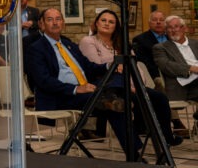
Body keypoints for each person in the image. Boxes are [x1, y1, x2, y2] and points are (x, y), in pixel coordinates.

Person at [26, 8, 179, 158]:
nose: (55, 23)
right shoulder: (36, 48)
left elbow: (89, 67)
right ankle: (134, 154)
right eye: (50, 19)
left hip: (90, 92)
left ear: (63, 23)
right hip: (61, 95)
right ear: (41, 24)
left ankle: (134, 148)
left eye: (58, 19)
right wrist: (76, 89)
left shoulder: (69, 45)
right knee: (115, 102)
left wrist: (110, 66)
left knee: (117, 98)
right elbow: (43, 81)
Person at [77, 9, 180, 145]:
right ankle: (137, 139)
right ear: (96, 23)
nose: (107, 24)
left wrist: (138, 84)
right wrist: (117, 69)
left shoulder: (121, 43)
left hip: (131, 84)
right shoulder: (88, 41)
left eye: (111, 22)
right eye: (103, 20)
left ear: (116, 26)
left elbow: (134, 66)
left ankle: (167, 138)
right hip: (108, 87)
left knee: (160, 98)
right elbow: (97, 67)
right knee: (138, 100)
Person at [153, 15, 198, 102]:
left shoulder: (195, 43)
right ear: (166, 31)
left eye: (176, 27)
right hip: (182, 86)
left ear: (184, 28)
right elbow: (166, 65)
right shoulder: (160, 48)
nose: (173, 30)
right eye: (169, 28)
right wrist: (192, 68)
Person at [133, 10, 168, 83]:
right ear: (149, 23)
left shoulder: (171, 37)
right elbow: (145, 63)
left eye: (161, 20)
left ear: (165, 23)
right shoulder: (140, 40)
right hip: (156, 77)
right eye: (154, 20)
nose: (158, 22)